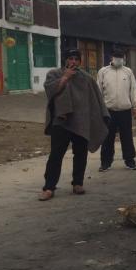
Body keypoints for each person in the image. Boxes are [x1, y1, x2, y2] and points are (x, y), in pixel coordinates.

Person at [40, 49, 109, 201]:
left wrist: (102, 116)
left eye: (76, 59)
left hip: (81, 121)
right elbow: (50, 92)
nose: (73, 62)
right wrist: (65, 77)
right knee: (56, 155)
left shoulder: (86, 78)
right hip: (61, 121)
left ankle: (78, 183)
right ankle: (49, 187)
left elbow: (96, 99)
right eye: (70, 59)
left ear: (80, 62)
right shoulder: (55, 74)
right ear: (65, 60)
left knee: (80, 154)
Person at [97, 50, 136, 171]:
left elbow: (133, 89)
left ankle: (130, 161)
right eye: (116, 57)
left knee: (127, 137)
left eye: (121, 57)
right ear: (111, 57)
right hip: (108, 111)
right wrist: (99, 109)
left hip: (125, 111)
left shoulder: (128, 71)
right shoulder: (103, 72)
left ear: (124, 58)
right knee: (107, 138)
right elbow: (98, 91)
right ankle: (105, 163)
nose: (119, 59)